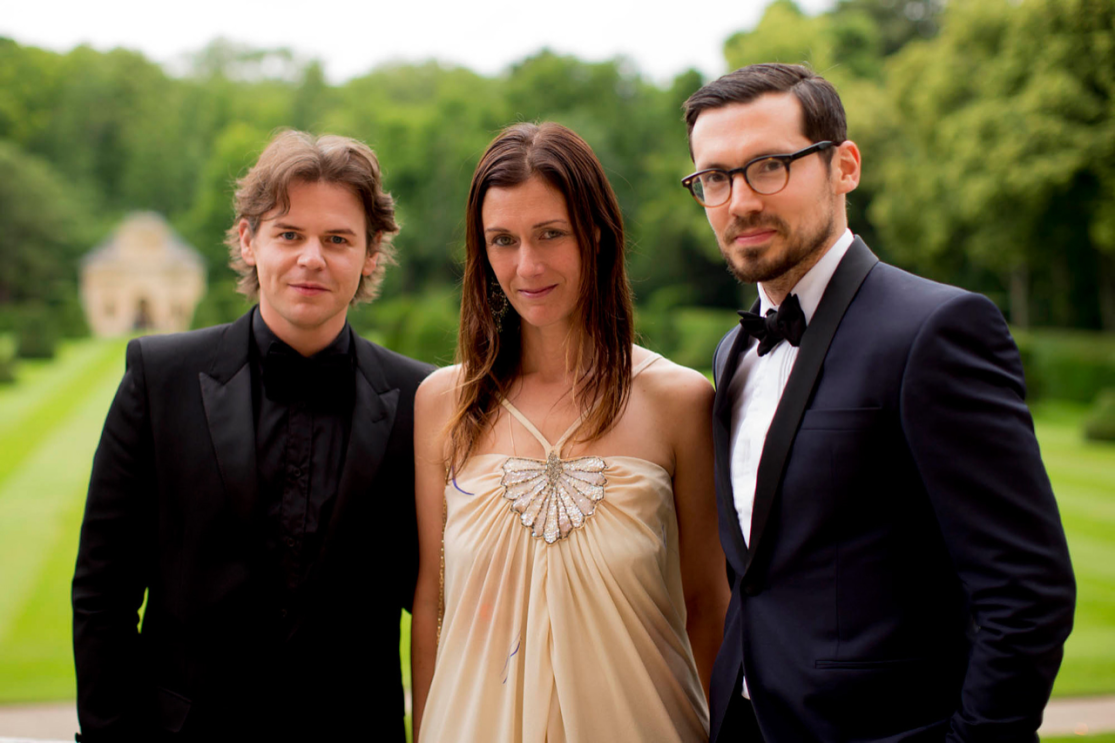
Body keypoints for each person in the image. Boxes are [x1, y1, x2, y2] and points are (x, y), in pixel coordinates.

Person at [681, 63, 1076, 742]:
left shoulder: (937, 330)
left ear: (844, 166)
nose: (739, 200)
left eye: (769, 165)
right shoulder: (732, 354)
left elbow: (1026, 592)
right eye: (715, 177)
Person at [72, 130, 432, 742]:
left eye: (338, 239)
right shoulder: (160, 379)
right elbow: (103, 592)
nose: (311, 257)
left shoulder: (424, 401)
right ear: (248, 240)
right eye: (289, 234)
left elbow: (440, 604)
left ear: (372, 254)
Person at [411, 122, 729, 743]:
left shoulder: (678, 401)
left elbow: (708, 607)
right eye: (502, 240)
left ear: (598, 238)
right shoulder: (444, 403)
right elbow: (434, 604)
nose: (526, 265)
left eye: (550, 234)